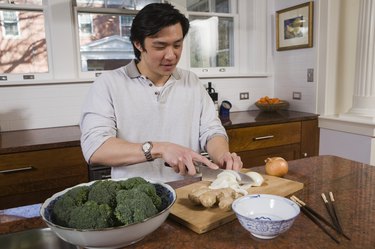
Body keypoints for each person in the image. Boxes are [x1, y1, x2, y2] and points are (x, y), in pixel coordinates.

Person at [80, 2, 243, 182]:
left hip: (187, 191)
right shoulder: (108, 84)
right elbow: (95, 148)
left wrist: (222, 156)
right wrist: (160, 149)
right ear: (138, 44)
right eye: (160, 46)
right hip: (137, 197)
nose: (171, 55)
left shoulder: (191, 81)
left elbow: (212, 130)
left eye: (177, 45)